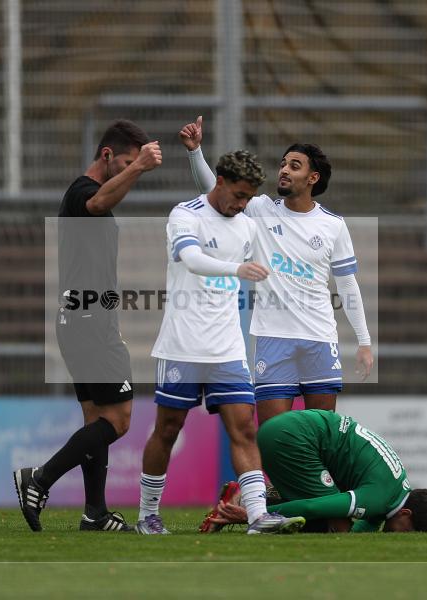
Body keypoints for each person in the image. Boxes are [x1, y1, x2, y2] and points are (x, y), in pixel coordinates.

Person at [135, 150, 305, 536]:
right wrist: (237, 269)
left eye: (248, 198)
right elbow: (192, 259)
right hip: (183, 344)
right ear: (221, 182)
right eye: (239, 195)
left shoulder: (244, 225)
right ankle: (147, 514)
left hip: (227, 348)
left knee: (244, 428)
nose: (242, 204)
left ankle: (258, 515)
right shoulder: (186, 214)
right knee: (168, 429)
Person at [14, 119, 162, 533]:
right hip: (89, 320)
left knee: (96, 418)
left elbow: (107, 201)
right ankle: (38, 479)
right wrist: (140, 167)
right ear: (107, 155)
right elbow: (97, 202)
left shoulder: (94, 198)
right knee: (119, 421)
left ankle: (95, 513)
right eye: (127, 161)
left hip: (79, 320)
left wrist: (132, 172)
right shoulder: (82, 194)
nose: (134, 169)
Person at [179, 117, 374, 425]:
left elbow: (347, 285)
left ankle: (316, 477)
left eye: (294, 165)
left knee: (321, 435)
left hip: (319, 338)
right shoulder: (261, 210)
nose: (283, 170)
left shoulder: (333, 226)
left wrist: (364, 342)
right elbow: (215, 191)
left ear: (313, 178)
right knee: (272, 435)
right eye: (283, 164)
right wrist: (195, 151)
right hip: (272, 338)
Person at [205, 409, 427, 533]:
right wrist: (255, 515)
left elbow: (365, 527)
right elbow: (312, 508)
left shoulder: (396, 489)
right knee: (331, 525)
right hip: (291, 439)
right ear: (406, 513)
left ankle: (254, 494)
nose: (400, 538)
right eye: (408, 533)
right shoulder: (380, 497)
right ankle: (247, 505)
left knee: (335, 521)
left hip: (290, 429)